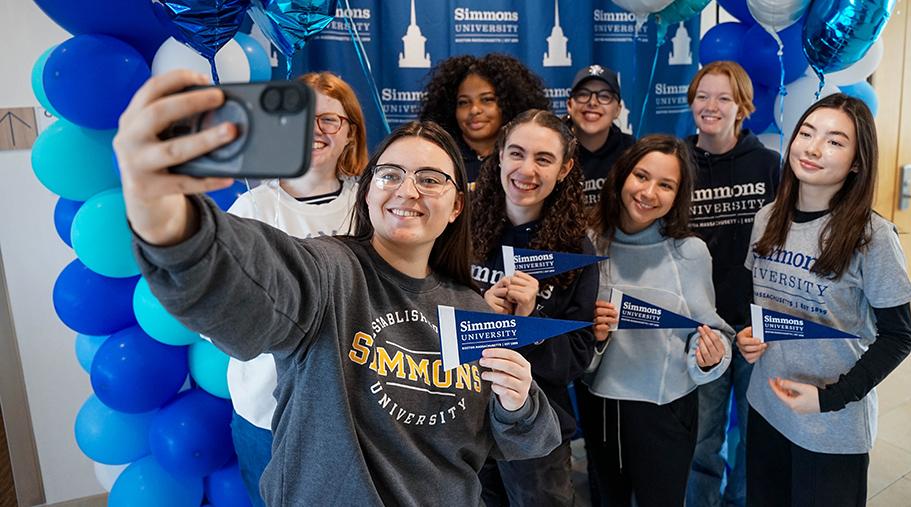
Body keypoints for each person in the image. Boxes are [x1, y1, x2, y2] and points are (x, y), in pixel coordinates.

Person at [113, 70, 562, 505]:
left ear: (455, 206)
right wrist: (166, 217)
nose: (407, 190)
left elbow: (528, 438)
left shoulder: (470, 309)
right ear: (367, 193)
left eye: (429, 179)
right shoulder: (330, 271)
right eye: (390, 175)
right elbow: (246, 283)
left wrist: (518, 401)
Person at [736, 94, 911, 507]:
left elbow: (898, 337)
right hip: (766, 407)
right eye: (806, 133)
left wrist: (830, 397)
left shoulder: (872, 237)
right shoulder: (767, 218)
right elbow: (766, 304)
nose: (813, 148)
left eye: (835, 141)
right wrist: (747, 337)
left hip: (831, 425)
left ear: (856, 162)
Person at [224, 71, 368, 506]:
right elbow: (225, 319)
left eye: (329, 120)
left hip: (360, 410)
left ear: (350, 133)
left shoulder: (374, 205)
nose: (315, 131)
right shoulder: (250, 210)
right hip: (267, 412)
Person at [583, 134, 734, 506]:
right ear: (621, 176)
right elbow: (574, 345)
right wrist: (595, 337)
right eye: (641, 176)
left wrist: (709, 354)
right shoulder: (587, 244)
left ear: (678, 195)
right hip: (603, 408)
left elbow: (712, 333)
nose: (649, 192)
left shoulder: (690, 252)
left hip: (667, 411)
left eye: (666, 185)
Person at [470, 109, 599, 506]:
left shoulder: (576, 250)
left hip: (536, 430)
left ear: (564, 169)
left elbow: (577, 357)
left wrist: (529, 321)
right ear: (500, 156)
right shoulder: (460, 227)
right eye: (516, 153)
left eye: (544, 159)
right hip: (467, 419)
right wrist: (478, 311)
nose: (526, 169)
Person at [683, 61, 780, 507]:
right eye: (703, 96)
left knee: (756, 436)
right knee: (703, 438)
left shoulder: (768, 165)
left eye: (724, 97)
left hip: (757, 329)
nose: (711, 106)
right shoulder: (677, 161)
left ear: (742, 106)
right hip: (701, 328)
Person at [420, 53, 550, 183]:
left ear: (508, 104)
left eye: (487, 100)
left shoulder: (524, 159)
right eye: (464, 102)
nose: (474, 110)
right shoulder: (440, 157)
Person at [565, 64, 635, 207]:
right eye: (583, 94)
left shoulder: (631, 150)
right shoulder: (554, 148)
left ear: (617, 109)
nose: (592, 102)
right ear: (569, 105)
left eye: (604, 96)